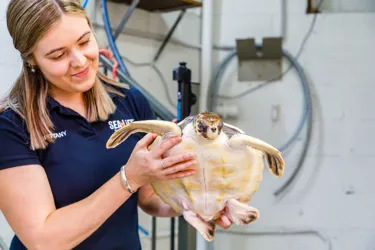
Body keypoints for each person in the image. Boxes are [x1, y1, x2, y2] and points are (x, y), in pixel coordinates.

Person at [0, 0, 232, 249]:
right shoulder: (12, 127)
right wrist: (128, 178)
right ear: (32, 59)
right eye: (58, 55)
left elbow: (149, 198)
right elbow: (44, 240)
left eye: (84, 42)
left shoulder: (129, 101)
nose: (79, 61)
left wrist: (196, 204)